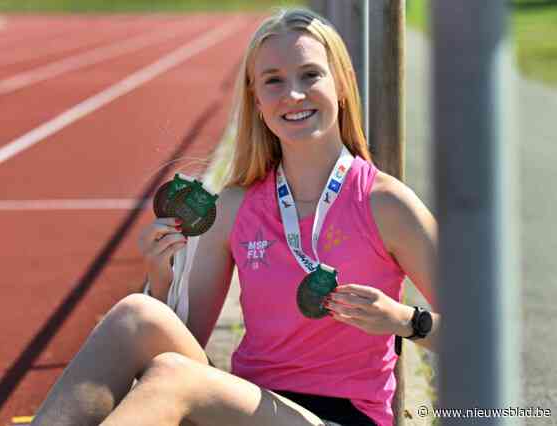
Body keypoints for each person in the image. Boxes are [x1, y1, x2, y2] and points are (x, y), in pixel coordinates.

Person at [32, 7, 439, 426]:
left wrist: (407, 321)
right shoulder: (236, 206)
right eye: (274, 81)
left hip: (344, 418)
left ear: (341, 85)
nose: (293, 94)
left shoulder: (386, 203)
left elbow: (483, 333)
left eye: (310, 75)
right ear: (256, 100)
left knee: (174, 378)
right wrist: (161, 278)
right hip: (249, 404)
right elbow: (183, 343)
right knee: (138, 314)